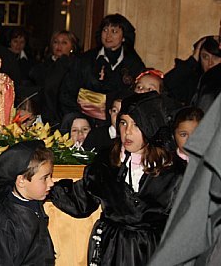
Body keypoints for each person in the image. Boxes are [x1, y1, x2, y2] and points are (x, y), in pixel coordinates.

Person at [50, 91, 185, 265]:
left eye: (136, 124)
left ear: (151, 125)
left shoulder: (172, 169)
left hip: (153, 250)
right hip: (113, 249)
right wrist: (48, 187)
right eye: (123, 123)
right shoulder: (107, 162)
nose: (127, 132)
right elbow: (81, 201)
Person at [147, 94, 221, 265]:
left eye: (196, 133)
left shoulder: (211, 165)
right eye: (183, 134)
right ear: (174, 136)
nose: (190, 140)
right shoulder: (166, 168)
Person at [0, 140, 55, 265]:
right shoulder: (1, 226)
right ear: (21, 181)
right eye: (45, 178)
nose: (51, 183)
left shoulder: (33, 202)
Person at [59, 13, 145, 125]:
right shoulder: (84, 60)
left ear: (124, 37)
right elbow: (66, 94)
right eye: (105, 30)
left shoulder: (134, 63)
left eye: (114, 31)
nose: (108, 35)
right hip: (84, 120)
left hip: (119, 122)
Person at [28, 30, 79, 125]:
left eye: (64, 42)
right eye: (56, 42)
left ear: (72, 46)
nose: (59, 46)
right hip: (43, 116)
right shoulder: (42, 66)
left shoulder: (76, 66)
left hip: (66, 116)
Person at [164, 35, 221, 107]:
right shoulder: (194, 82)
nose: (210, 63)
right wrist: (192, 61)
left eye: (216, 57)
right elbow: (165, 86)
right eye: (205, 57)